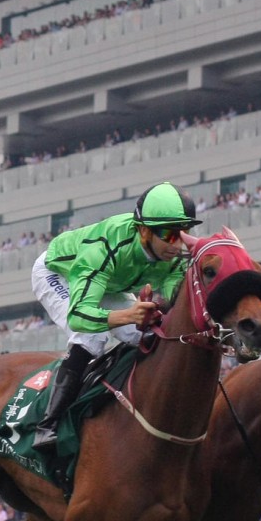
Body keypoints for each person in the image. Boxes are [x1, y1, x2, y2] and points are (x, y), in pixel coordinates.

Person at [29, 182, 199, 450]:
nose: (178, 244)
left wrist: (158, 311)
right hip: (60, 273)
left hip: (109, 284)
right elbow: (79, 315)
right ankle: (48, 424)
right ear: (144, 231)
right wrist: (129, 315)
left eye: (184, 232)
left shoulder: (175, 258)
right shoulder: (106, 246)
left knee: (146, 335)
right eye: (169, 233)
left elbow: (171, 300)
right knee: (91, 336)